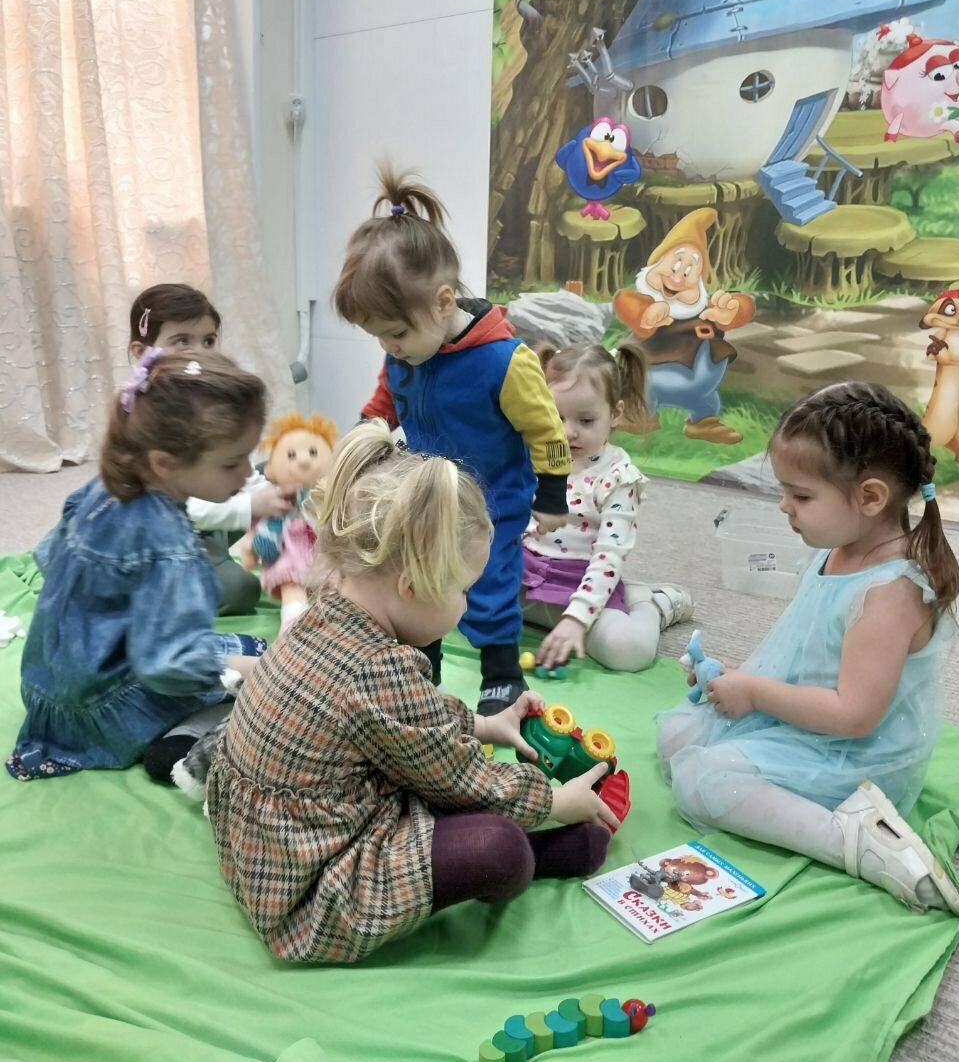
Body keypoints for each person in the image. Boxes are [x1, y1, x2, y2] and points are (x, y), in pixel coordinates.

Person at [206, 421, 616, 964]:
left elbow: (404, 722)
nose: (465, 606)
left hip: (258, 844)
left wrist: (484, 725)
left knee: (430, 784)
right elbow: (465, 779)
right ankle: (539, 854)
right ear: (413, 585)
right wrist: (557, 802)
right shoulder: (379, 668)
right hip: (311, 888)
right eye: (463, 590)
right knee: (500, 850)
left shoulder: (324, 615)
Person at [657, 382, 959, 915]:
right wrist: (737, 676)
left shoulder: (888, 592)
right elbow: (804, 650)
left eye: (800, 496)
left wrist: (755, 693)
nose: (783, 506)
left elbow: (855, 716)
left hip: (855, 756)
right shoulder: (835, 550)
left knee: (700, 780)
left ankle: (852, 839)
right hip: (806, 719)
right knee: (675, 736)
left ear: (870, 498)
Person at [333, 169, 570, 714]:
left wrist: (552, 494)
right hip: (423, 492)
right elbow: (387, 401)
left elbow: (546, 430)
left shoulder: (506, 361)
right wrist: (362, 440)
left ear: (444, 303)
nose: (390, 347)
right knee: (417, 576)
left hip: (492, 498)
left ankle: (502, 674)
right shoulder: (403, 354)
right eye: (379, 337)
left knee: (488, 581)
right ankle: (422, 669)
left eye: (396, 333)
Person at [5, 349, 269, 783]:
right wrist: (249, 673)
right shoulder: (171, 545)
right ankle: (183, 743)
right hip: (103, 709)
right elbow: (166, 665)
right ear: (165, 462)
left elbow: (48, 556)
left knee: (236, 650)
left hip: (47, 687)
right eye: (231, 462)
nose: (246, 473)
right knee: (260, 673)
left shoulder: (103, 488)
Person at [522, 342, 693, 671]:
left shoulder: (618, 477)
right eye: (556, 417)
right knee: (452, 604)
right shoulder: (536, 453)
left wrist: (577, 619)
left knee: (628, 650)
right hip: (525, 576)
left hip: (582, 586)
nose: (567, 432)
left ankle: (654, 604)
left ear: (615, 414)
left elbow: (609, 554)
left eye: (586, 420)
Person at [129, 284, 294, 615]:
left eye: (208, 341)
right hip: (160, 539)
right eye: (181, 341)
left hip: (206, 521)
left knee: (280, 473)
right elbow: (171, 508)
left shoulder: (210, 398)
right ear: (141, 352)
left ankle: (291, 557)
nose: (200, 353)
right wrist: (251, 506)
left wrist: (275, 496)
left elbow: (234, 463)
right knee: (239, 589)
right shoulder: (145, 415)